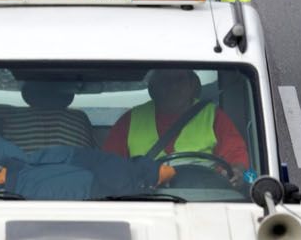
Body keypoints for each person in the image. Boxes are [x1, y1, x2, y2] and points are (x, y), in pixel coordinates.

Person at [0, 75, 179, 201]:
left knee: (66, 161)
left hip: (1, 193)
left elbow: (20, 164)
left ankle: (142, 173)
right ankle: (141, 176)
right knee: (73, 177)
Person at [102, 67, 249, 172]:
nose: (173, 86)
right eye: (165, 81)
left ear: (192, 86)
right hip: (144, 204)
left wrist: (236, 173)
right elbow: (108, 168)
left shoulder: (214, 116)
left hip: (205, 201)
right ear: (153, 88)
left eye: (179, 80)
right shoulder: (130, 120)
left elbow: (237, 160)